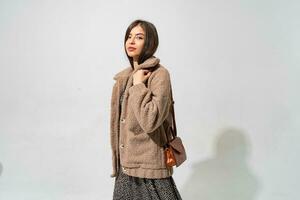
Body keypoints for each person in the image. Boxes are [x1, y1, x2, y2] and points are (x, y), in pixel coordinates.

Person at [110, 19, 182, 200]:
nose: (131, 41)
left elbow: (151, 120)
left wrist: (138, 86)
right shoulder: (123, 78)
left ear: (149, 43)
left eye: (139, 37)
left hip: (150, 167)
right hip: (125, 167)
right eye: (129, 36)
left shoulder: (159, 74)